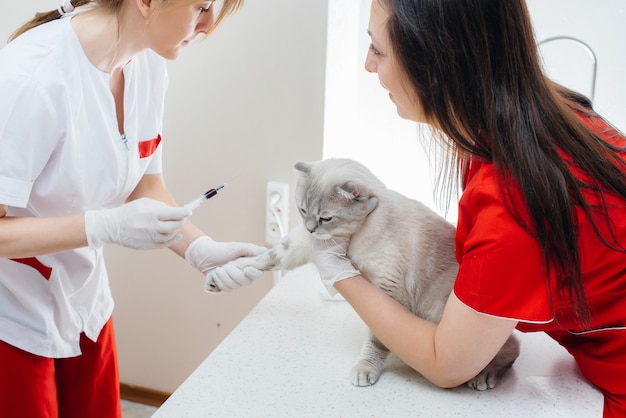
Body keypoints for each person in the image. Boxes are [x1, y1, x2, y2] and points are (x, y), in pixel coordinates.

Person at [310, 1, 625, 417]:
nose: (369, 66)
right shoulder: (538, 121)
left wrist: (339, 273)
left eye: (379, 50)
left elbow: (447, 364)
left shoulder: (514, 198)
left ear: (435, 61)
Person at [0, 0, 264, 417]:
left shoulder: (147, 64)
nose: (208, 26)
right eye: (202, 6)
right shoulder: (30, 77)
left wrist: (199, 249)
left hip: (84, 301)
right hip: (11, 316)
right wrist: (101, 226)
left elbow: (145, 184)